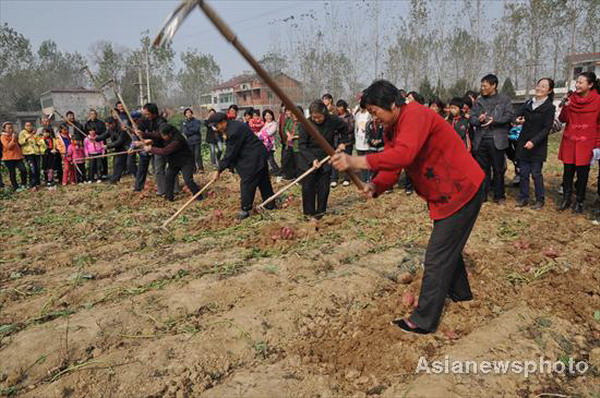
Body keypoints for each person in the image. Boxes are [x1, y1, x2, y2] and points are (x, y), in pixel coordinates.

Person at [331, 80, 485, 334]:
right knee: (448, 247)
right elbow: (393, 167)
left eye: (375, 111)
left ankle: (424, 320)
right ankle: (460, 293)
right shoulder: (391, 128)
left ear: (392, 103)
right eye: (370, 112)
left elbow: (404, 155)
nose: (374, 117)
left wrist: (355, 161)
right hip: (443, 193)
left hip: (461, 189)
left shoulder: (414, 115)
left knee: (436, 256)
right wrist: (375, 186)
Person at [207, 112, 275, 219]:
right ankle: (270, 203)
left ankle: (246, 209)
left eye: (216, 125)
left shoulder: (234, 131)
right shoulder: (231, 127)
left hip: (253, 157)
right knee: (262, 179)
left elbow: (230, 153)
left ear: (223, 122)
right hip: (256, 154)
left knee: (248, 181)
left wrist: (219, 169)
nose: (216, 128)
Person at [557, 71, 600, 213]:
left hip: (587, 142)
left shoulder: (598, 101)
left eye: (581, 82)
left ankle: (579, 201)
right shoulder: (571, 98)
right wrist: (566, 106)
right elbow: (563, 119)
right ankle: (566, 199)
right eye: (577, 82)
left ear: (590, 85)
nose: (577, 85)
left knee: (583, 174)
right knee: (567, 171)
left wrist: (597, 145)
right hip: (570, 140)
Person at [298, 100, 347, 218]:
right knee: (308, 187)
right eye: (314, 117)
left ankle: (321, 212)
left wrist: (342, 143)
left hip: (326, 157)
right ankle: (309, 213)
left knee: (324, 187)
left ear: (324, 113)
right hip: (309, 158)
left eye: (319, 117)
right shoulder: (305, 124)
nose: (316, 120)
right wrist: (312, 160)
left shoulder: (333, 120)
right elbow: (302, 146)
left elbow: (345, 128)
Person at [470, 74, 514, 204]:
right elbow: (472, 118)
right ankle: (482, 195)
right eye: (481, 85)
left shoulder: (504, 100)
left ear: (493, 85)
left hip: (497, 139)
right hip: (481, 139)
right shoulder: (479, 101)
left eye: (485, 85)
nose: (482, 88)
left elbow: (509, 117)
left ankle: (499, 196)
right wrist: (479, 119)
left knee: (498, 169)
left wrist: (495, 121)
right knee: (482, 169)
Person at [514, 78, 556, 210]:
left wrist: (533, 141)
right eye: (539, 85)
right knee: (523, 173)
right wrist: (517, 119)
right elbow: (515, 114)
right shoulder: (528, 103)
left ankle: (539, 199)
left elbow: (546, 128)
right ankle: (523, 197)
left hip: (537, 145)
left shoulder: (549, 107)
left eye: (544, 87)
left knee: (536, 173)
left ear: (549, 91)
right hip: (523, 143)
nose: (539, 88)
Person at [142, 124, 201, 201]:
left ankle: (199, 196)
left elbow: (165, 151)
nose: (162, 137)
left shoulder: (177, 140)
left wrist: (151, 149)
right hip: (174, 162)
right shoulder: (166, 134)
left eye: (164, 136)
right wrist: (143, 134)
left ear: (169, 134)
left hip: (186, 161)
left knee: (188, 180)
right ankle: (169, 197)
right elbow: (156, 135)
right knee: (169, 178)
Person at [134, 103, 169, 194]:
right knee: (157, 170)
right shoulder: (150, 120)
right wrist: (132, 130)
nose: (146, 116)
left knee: (160, 170)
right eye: (144, 114)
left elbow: (159, 135)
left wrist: (144, 137)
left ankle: (164, 190)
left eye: (147, 114)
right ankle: (165, 188)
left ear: (154, 113)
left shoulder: (161, 122)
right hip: (155, 148)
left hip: (162, 148)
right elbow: (141, 127)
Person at [332, 99, 356, 187]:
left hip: (347, 142)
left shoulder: (350, 117)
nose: (339, 108)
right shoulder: (335, 116)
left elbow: (350, 128)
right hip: (336, 141)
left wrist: (341, 128)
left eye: (340, 106)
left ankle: (347, 178)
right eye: (337, 106)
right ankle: (334, 178)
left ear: (344, 107)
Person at [1, 122, 27, 191]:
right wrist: (12, 139)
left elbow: (18, 145)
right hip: (9, 158)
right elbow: (8, 146)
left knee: (23, 170)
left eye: (11, 127)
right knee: (12, 173)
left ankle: (23, 184)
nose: (11, 129)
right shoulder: (3, 137)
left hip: (18, 157)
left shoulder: (14, 135)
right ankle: (15, 187)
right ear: (4, 129)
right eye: (8, 128)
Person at [18, 121, 45, 188]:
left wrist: (39, 142)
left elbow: (39, 141)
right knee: (32, 168)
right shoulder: (22, 133)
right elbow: (21, 142)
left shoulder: (35, 133)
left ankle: (37, 182)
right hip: (28, 153)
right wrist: (30, 136)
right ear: (25, 126)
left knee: (38, 168)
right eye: (27, 125)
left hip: (36, 153)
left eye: (30, 125)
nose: (29, 127)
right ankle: (32, 183)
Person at [105, 117, 132, 184]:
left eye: (109, 125)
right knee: (116, 164)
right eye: (107, 125)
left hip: (125, 148)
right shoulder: (110, 130)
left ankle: (115, 179)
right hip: (118, 149)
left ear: (113, 123)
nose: (108, 127)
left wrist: (108, 146)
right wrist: (96, 139)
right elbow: (104, 135)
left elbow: (120, 141)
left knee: (126, 164)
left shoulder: (121, 129)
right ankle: (115, 179)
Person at [258, 109, 280, 176]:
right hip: (264, 145)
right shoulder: (265, 124)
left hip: (270, 145)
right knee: (267, 159)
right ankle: (273, 170)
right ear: (264, 117)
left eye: (269, 115)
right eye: (266, 116)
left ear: (272, 116)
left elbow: (268, 133)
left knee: (271, 159)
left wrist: (259, 134)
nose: (268, 117)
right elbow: (261, 133)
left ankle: (277, 171)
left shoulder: (274, 124)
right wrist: (260, 134)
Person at [181, 108, 204, 173]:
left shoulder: (196, 121)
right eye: (187, 113)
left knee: (197, 155)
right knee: (191, 156)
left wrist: (189, 129)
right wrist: (191, 130)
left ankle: (200, 168)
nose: (188, 114)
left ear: (191, 113)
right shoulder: (184, 122)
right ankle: (193, 169)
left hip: (197, 140)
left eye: (189, 112)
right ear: (185, 115)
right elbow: (185, 131)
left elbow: (196, 129)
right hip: (189, 141)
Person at [364, 117, 385, 182]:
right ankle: (372, 180)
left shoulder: (383, 124)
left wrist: (380, 140)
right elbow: (367, 135)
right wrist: (372, 140)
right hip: (372, 147)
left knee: (383, 165)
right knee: (373, 165)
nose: (375, 118)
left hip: (382, 147)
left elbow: (385, 134)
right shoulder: (368, 124)